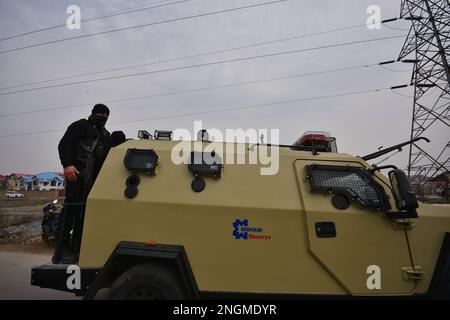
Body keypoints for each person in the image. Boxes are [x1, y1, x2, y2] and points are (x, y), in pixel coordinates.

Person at [54, 104, 112, 263]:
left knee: (85, 216)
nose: (102, 117)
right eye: (99, 114)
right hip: (77, 176)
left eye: (105, 115)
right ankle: (61, 250)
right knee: (70, 212)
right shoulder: (80, 126)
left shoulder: (105, 135)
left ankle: (76, 249)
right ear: (93, 113)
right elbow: (64, 144)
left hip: (93, 182)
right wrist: (67, 165)